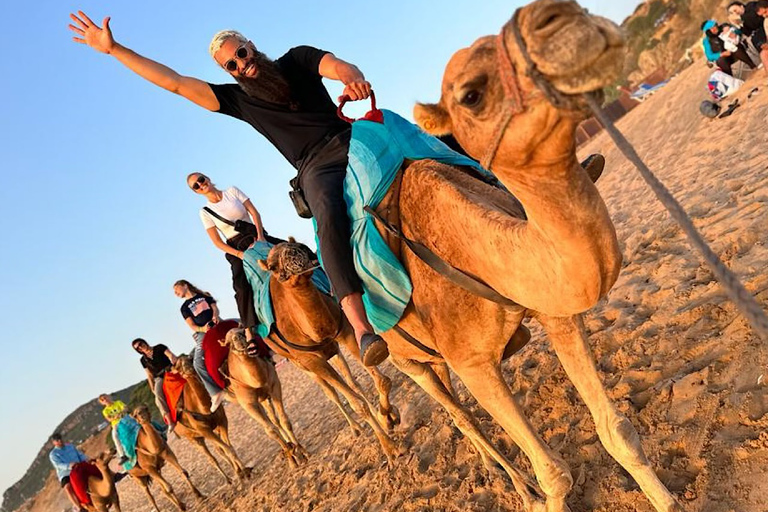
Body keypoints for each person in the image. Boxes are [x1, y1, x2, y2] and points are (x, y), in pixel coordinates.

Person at [69, 12, 389, 366]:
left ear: (251, 46)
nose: (242, 64)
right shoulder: (239, 100)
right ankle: (360, 328)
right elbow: (175, 82)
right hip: (315, 166)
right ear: (228, 72)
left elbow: (338, 66)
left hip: (350, 135)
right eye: (232, 64)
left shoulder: (297, 59)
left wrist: (353, 79)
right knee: (327, 217)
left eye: (242, 53)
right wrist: (115, 50)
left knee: (425, 142)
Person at [185, 174, 280, 347]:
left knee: (292, 249)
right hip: (235, 246)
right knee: (240, 286)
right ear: (196, 192)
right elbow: (217, 242)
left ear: (207, 178)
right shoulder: (205, 212)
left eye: (201, 180)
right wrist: (241, 255)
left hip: (256, 235)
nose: (201, 184)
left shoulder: (232, 191)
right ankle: (250, 331)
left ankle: (329, 285)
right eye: (196, 186)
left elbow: (254, 212)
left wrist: (260, 237)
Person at [173, 279, 227, 410]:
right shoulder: (184, 308)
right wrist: (204, 329)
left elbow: (215, 308)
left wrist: (215, 317)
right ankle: (216, 392)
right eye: (174, 292)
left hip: (218, 322)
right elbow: (192, 325)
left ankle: (266, 354)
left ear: (185, 286)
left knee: (242, 327)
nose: (175, 293)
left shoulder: (204, 295)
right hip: (203, 332)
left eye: (176, 290)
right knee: (197, 363)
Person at [131, 338, 179, 424]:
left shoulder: (159, 347)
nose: (140, 347)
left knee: (189, 372)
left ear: (144, 342)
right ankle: (170, 420)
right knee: (158, 395)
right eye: (137, 348)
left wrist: (174, 363)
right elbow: (149, 375)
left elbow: (170, 355)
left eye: (140, 344)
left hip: (170, 370)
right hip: (159, 378)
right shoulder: (143, 360)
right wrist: (152, 388)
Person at [48, 432, 87, 512]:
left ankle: (113, 477)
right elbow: (58, 465)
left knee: (97, 466)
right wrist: (69, 466)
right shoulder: (53, 454)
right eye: (57, 440)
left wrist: (87, 459)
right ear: (54, 442)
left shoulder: (70, 446)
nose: (59, 441)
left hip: (79, 467)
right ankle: (79, 507)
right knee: (68, 488)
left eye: (60, 439)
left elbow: (80, 455)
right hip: (66, 474)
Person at [727, 1, 768, 75]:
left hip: (763, 31)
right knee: (763, 54)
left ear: (741, 6)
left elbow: (756, 19)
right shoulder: (743, 20)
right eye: (732, 13)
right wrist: (738, 25)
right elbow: (748, 32)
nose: (735, 13)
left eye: (735, 10)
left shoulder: (751, 7)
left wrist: (740, 17)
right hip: (758, 38)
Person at [98, 394, 129, 465]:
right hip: (116, 424)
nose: (105, 400)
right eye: (102, 400)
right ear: (102, 403)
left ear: (109, 397)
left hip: (126, 419)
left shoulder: (118, 402)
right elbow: (109, 419)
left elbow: (125, 408)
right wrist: (115, 417)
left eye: (105, 398)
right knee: (115, 436)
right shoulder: (105, 411)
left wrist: (122, 412)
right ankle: (122, 455)